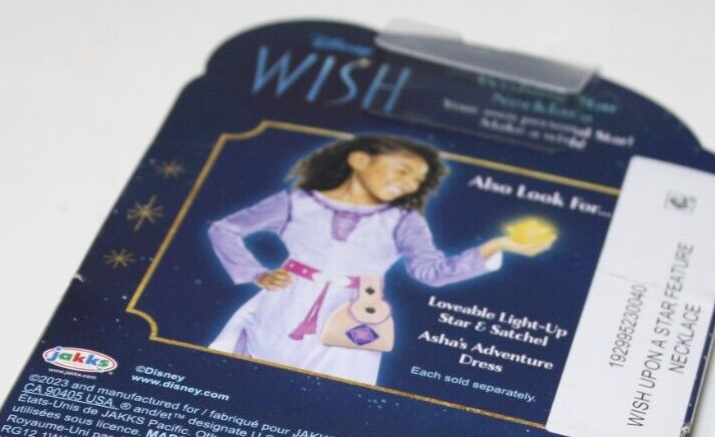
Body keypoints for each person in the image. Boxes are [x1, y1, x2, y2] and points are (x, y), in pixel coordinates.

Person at [207, 134, 553, 385]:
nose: (409, 184)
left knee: (327, 393)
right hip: (284, 305)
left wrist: (497, 245)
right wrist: (255, 273)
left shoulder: (404, 221)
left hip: (354, 315)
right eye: (401, 171)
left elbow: (433, 273)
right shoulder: (296, 203)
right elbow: (224, 230)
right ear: (359, 160)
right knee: (252, 374)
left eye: (417, 180)